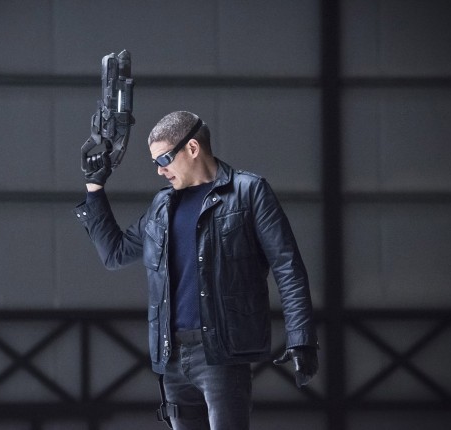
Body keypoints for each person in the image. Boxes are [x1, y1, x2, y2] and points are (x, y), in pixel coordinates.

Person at [74, 111, 318, 429]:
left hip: (221, 354)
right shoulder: (162, 207)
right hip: (171, 356)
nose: (160, 170)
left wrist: (301, 338)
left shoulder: (248, 192)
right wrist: (94, 188)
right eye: (155, 162)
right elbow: (115, 253)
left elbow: (288, 268)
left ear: (192, 148)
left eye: (164, 159)